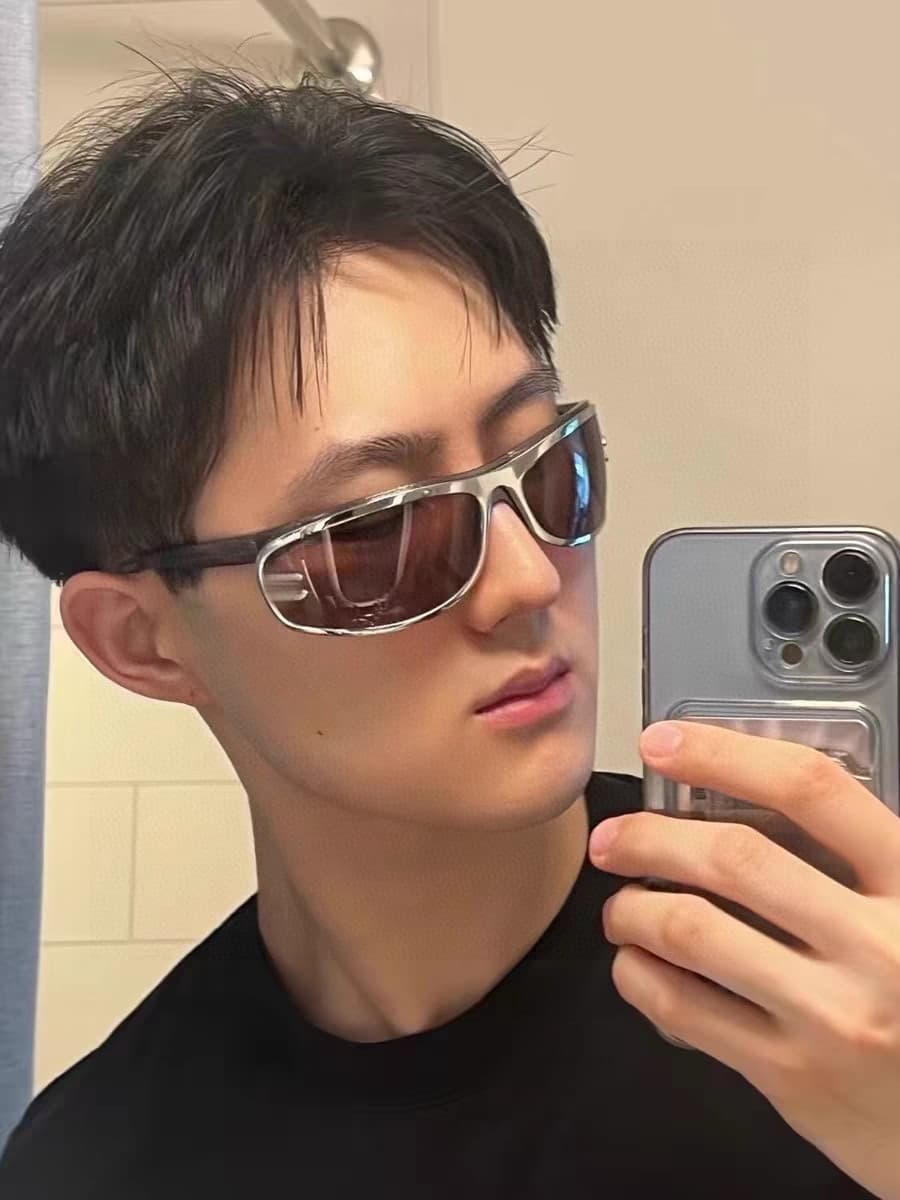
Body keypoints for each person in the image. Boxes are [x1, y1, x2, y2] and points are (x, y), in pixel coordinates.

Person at [0, 67, 895, 1199]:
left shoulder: (851, 991)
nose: (528, 576)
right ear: (142, 641)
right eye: (379, 532)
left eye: (550, 467)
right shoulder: (95, 1165)